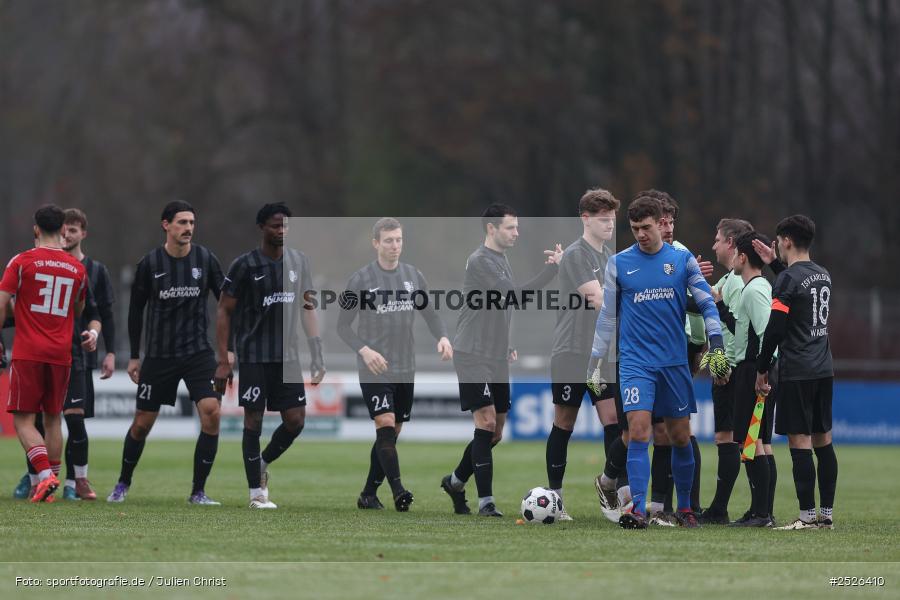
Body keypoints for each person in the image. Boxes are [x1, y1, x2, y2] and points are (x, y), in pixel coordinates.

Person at [589, 194, 729, 529]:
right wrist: (595, 361)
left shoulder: (681, 261)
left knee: (680, 436)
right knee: (638, 431)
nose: (640, 234)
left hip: (673, 363)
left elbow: (707, 305)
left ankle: (685, 509)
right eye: (635, 228)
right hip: (636, 362)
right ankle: (637, 509)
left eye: (646, 227)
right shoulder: (619, 264)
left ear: (659, 223)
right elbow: (608, 316)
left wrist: (718, 345)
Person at [441, 204, 562, 517]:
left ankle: (454, 482)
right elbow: (515, 297)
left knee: (496, 433)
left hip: (495, 354)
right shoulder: (480, 260)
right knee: (486, 421)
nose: (517, 232)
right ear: (491, 229)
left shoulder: (500, 259)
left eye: (517, 227)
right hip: (470, 352)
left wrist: (506, 342)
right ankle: (486, 503)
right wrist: (551, 271)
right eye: (510, 227)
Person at [107, 200, 228, 505]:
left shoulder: (206, 259)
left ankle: (198, 492)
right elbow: (135, 311)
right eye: (182, 223)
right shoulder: (150, 264)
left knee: (211, 414)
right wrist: (134, 356)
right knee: (142, 423)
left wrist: (228, 352)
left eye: (191, 223)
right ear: (166, 225)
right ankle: (123, 483)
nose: (188, 228)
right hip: (160, 356)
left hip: (198, 353)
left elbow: (227, 305)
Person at [215, 203, 325, 509]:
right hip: (253, 356)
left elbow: (308, 306)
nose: (281, 231)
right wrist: (224, 358)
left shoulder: (299, 262)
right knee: (254, 419)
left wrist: (316, 351)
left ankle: (261, 462)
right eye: (276, 226)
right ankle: (256, 493)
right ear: (262, 227)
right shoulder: (245, 265)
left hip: (288, 357)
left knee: (296, 420)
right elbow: (224, 309)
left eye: (285, 226)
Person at [337, 218, 451, 512]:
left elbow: (431, 314)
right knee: (385, 423)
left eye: (398, 240)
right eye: (388, 240)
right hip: (374, 368)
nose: (394, 246)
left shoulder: (414, 276)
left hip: (405, 367)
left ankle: (367, 494)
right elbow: (343, 327)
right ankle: (399, 491)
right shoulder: (360, 280)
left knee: (391, 432)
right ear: (376, 243)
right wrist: (365, 351)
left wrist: (442, 337)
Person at [0, 205, 98, 503]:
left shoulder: (22, 261)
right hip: (61, 353)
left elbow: (2, 301)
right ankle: (50, 484)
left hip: (29, 352)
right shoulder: (78, 269)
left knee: (23, 420)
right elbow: (79, 310)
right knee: (54, 418)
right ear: (62, 229)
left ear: (36, 229)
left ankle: (45, 476)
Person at [754, 215, 836, 530]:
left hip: (797, 370)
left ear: (786, 240)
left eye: (778, 241)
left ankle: (805, 518)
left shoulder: (788, 280)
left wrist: (762, 369)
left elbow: (775, 329)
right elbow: (797, 293)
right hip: (823, 369)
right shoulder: (823, 274)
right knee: (824, 441)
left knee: (799, 443)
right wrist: (775, 264)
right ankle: (826, 516)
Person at [545, 188, 620, 521]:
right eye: (602, 219)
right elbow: (599, 299)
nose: (609, 225)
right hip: (572, 351)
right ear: (585, 218)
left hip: (601, 355)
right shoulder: (577, 254)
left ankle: (612, 493)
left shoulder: (609, 257)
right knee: (565, 421)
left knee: (614, 422)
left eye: (612, 219)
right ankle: (556, 499)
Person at [698, 218, 755, 524]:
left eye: (718, 239)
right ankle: (722, 508)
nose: (713, 245)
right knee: (729, 437)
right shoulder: (730, 279)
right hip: (729, 366)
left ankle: (720, 509)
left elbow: (736, 327)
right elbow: (707, 299)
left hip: (730, 370)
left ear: (731, 243)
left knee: (728, 438)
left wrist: (724, 365)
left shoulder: (735, 282)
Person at [58, 208, 116, 500]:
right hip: (45, 353)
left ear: (83, 234)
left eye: (73, 230)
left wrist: (110, 350)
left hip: (78, 356)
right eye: (63, 229)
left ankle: (74, 481)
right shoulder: (44, 264)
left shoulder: (95, 271)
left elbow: (102, 313)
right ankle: (37, 478)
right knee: (44, 422)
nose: (67, 235)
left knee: (74, 419)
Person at [725, 231, 778, 527]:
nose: (732, 259)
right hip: (754, 369)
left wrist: (761, 372)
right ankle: (761, 511)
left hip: (754, 371)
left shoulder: (755, 289)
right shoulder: (757, 287)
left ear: (742, 257)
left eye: (735, 253)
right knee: (757, 443)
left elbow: (767, 334)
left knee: (752, 442)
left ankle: (761, 514)